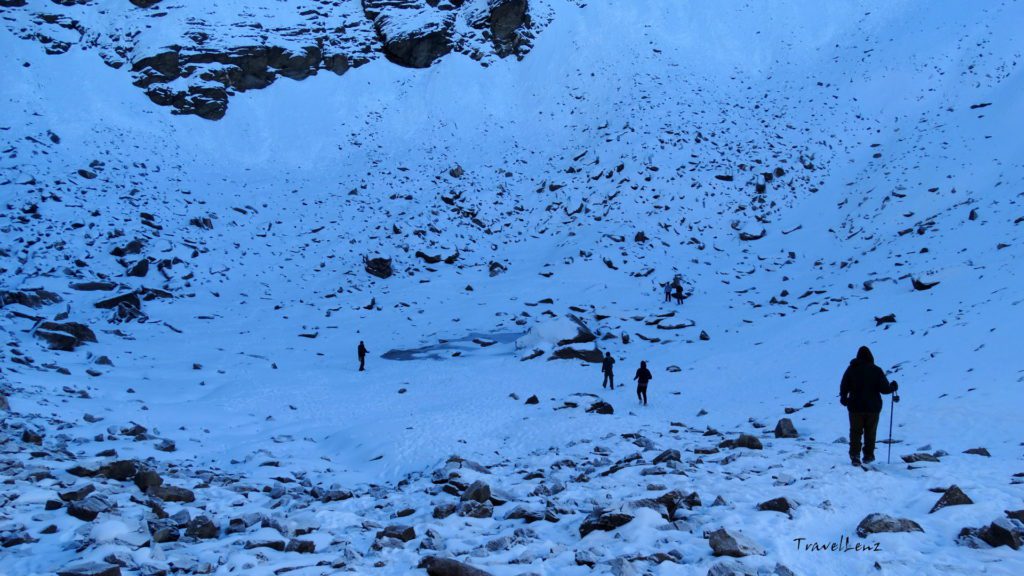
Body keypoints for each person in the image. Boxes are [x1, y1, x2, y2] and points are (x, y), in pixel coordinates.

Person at [839, 346, 898, 466]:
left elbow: (844, 385)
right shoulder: (876, 370)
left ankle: (855, 455)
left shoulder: (851, 369)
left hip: (855, 407)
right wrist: (893, 387)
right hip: (873, 407)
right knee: (870, 432)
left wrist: (844, 397)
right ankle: (868, 456)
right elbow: (885, 389)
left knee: (855, 432)